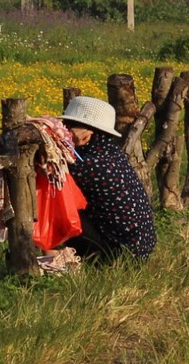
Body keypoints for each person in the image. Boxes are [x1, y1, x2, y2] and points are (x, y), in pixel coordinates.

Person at [57, 96, 156, 262]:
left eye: (68, 126)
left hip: (118, 255)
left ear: (87, 135)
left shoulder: (90, 164)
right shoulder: (111, 153)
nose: (65, 131)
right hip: (137, 251)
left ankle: (52, 261)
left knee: (56, 205)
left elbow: (54, 175)